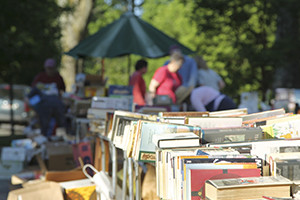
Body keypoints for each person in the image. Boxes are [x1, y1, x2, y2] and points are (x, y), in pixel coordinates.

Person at [29, 58, 66, 138]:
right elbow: (32, 92)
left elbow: (63, 90)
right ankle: (44, 139)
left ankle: (60, 139)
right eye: (48, 68)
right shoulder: (40, 77)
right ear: (45, 68)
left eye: (51, 68)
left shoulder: (58, 77)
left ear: (54, 68)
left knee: (60, 123)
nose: (49, 70)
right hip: (43, 106)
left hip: (56, 105)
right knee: (44, 125)